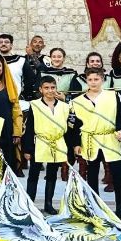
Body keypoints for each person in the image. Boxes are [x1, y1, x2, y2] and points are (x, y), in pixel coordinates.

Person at [69, 66, 121, 220]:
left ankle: (120, 207)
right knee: (92, 173)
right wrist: (76, 143)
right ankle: (95, 206)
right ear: (86, 80)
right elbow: (75, 125)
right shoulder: (77, 101)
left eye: (96, 79)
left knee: (117, 173)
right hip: (89, 139)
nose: (93, 82)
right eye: (90, 79)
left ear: (102, 79)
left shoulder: (113, 96)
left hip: (110, 137)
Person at [22, 76, 70, 214]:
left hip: (57, 142)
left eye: (53, 87)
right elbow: (29, 128)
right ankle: (30, 203)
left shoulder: (64, 106)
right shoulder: (35, 105)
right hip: (40, 142)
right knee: (34, 173)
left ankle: (48, 203)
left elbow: (68, 127)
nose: (50, 91)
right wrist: (28, 149)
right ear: (41, 89)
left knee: (52, 174)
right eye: (46, 88)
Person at [0, 34, 38, 100]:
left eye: (6, 42)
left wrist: (23, 94)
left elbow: (30, 79)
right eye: (1, 42)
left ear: (11, 45)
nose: (3, 44)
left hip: (16, 98)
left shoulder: (21, 60)